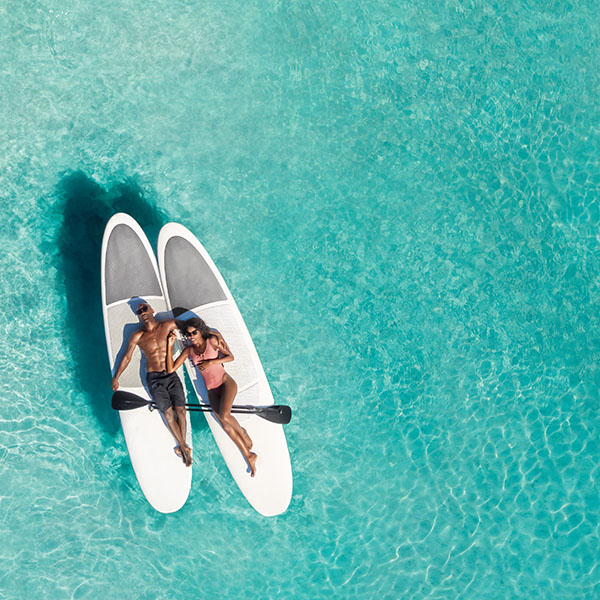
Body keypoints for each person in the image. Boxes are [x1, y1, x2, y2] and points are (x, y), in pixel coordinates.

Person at [166, 317, 258, 477]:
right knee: (225, 425)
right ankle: (249, 455)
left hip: (226, 383)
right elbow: (171, 368)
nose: (191, 336)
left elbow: (230, 356)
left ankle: (243, 433)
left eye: (194, 332)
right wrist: (169, 346)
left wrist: (211, 362)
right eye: (188, 334)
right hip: (211, 390)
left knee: (225, 415)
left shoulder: (212, 341)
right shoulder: (189, 351)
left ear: (200, 331)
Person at [111, 300, 192, 467]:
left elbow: (189, 327)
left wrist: (204, 339)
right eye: (139, 312)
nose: (142, 312)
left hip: (171, 373)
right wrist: (116, 377)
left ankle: (183, 447)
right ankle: (184, 447)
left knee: (181, 411)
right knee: (168, 414)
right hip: (154, 379)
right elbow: (127, 356)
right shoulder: (138, 335)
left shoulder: (167, 325)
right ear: (138, 316)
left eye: (145, 308)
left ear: (152, 310)